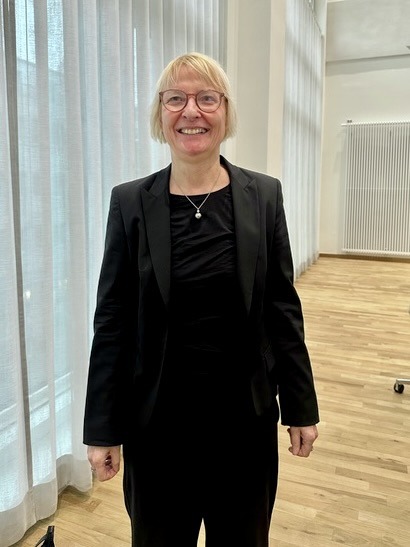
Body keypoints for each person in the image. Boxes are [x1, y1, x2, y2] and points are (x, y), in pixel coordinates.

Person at [83, 51, 319, 547]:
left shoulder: (264, 196)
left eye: (207, 98)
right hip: (157, 431)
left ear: (226, 111)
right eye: (176, 99)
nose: (191, 111)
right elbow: (113, 322)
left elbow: (282, 308)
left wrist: (301, 405)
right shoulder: (130, 203)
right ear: (160, 114)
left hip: (244, 428)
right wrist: (102, 428)